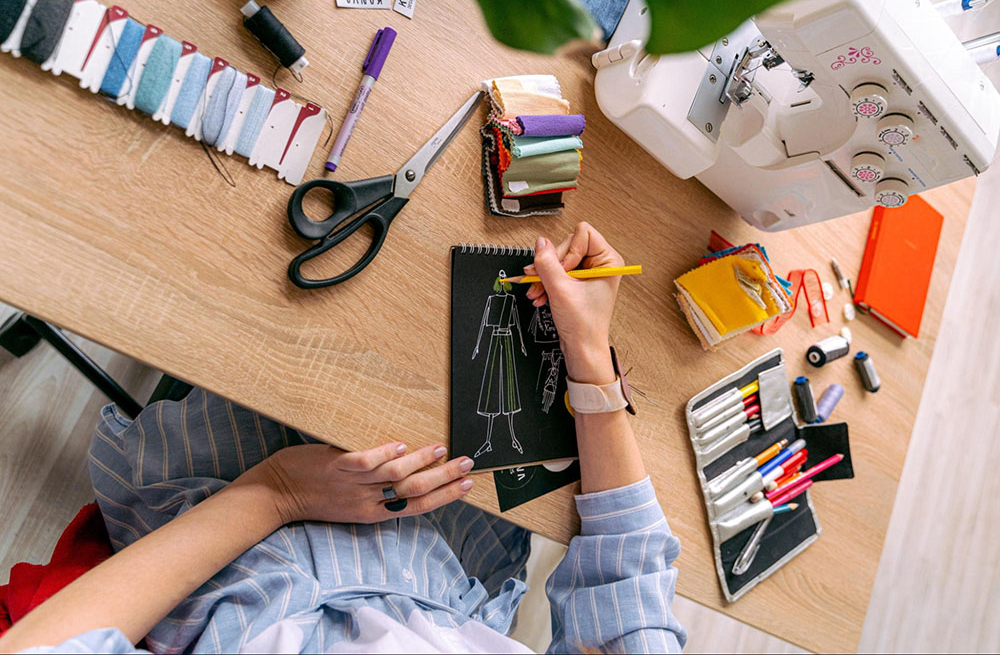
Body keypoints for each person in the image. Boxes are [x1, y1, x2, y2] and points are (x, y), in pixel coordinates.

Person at [0, 223, 686, 654]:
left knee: (219, 244)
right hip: (445, 545)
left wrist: (278, 492)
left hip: (236, 529)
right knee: (432, 275)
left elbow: (41, 644)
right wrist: (590, 358)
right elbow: (627, 582)